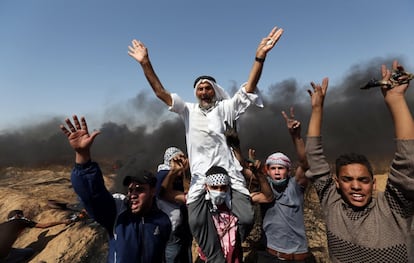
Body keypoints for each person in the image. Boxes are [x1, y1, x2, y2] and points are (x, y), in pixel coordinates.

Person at [128, 27, 283, 262]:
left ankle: (228, 244)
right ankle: (216, 258)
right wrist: (145, 63)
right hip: (200, 177)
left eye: (207, 87)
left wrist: (260, 57)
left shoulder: (226, 108)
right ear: (196, 93)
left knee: (247, 217)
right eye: (199, 88)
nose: (203, 90)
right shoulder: (188, 111)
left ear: (214, 90)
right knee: (196, 221)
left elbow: (249, 88)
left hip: (229, 174)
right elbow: (161, 93)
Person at [305, 60, 414, 262]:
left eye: (363, 180)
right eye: (347, 179)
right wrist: (317, 110)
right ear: (336, 183)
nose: (356, 186)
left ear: (373, 184)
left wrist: (396, 101)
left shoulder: (392, 207)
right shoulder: (332, 203)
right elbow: (314, 157)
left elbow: (408, 158)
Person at [60, 115, 171, 263]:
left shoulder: (163, 220)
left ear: (152, 191)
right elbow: (93, 195)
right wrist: (82, 155)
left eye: (139, 189)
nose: (133, 194)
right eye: (130, 190)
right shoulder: (117, 215)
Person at [161, 162, 273, 263]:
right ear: (206, 187)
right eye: (214, 187)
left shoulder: (237, 203)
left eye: (223, 188)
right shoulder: (199, 205)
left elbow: (267, 197)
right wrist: (173, 172)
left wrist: (259, 175)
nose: (219, 192)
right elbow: (165, 194)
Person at [257, 108, 316, 263]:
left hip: (297, 257)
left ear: (288, 170)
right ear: (267, 171)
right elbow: (245, 171)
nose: (277, 172)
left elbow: (305, 163)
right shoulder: (265, 187)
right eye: (273, 168)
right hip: (270, 256)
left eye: (281, 168)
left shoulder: (295, 187)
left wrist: (296, 136)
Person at [155, 147, 192, 263]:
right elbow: (160, 192)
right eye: (177, 159)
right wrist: (173, 171)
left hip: (181, 227)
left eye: (183, 158)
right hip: (171, 227)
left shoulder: (179, 176)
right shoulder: (164, 174)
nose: (182, 162)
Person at [0, 210, 71, 263]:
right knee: (30, 251)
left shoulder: (3, 224)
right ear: (18, 216)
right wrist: (63, 222)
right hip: (3, 255)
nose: (24, 217)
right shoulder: (20, 220)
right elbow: (44, 226)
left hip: (4, 251)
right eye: (22, 215)